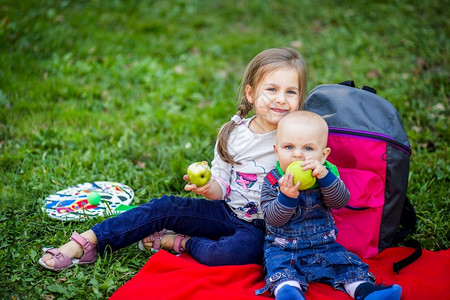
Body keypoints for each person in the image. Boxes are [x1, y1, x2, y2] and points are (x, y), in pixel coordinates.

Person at [38, 47, 308, 271]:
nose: (281, 100)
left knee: (233, 255)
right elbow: (222, 187)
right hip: (227, 213)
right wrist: (206, 187)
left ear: (300, 98)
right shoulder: (234, 133)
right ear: (251, 94)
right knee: (163, 207)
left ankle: (180, 242)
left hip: (266, 229)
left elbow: (320, 173)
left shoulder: (301, 135)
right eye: (271, 89)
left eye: (290, 92)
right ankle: (87, 243)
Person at [255, 111, 402, 300]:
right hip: (284, 249)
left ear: (323, 155)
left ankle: (367, 292)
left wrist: (325, 178)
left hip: (324, 246)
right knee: (280, 270)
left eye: (308, 149)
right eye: (289, 147)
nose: (298, 155)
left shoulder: (327, 176)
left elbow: (340, 202)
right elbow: (273, 219)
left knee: (349, 265)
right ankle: (289, 293)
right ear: (277, 150)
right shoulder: (273, 181)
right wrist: (287, 197)